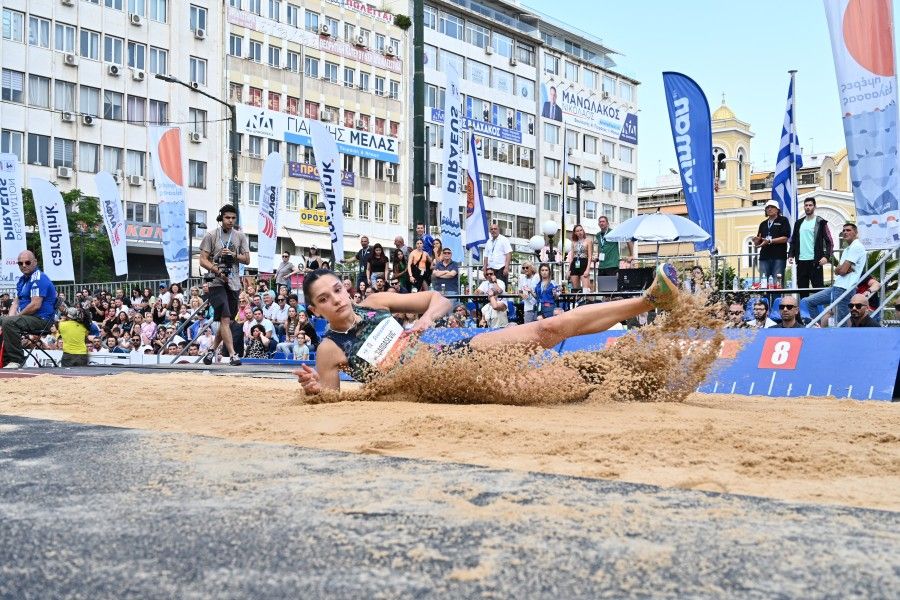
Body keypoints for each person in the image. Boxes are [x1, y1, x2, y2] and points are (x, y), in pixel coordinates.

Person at [293, 263, 681, 394]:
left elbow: (442, 300)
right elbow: (335, 404)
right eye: (325, 299)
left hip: (457, 354)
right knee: (560, 384)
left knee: (545, 331)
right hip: (437, 386)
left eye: (338, 289)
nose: (338, 299)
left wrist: (426, 319)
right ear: (316, 309)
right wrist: (314, 393)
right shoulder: (330, 349)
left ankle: (649, 301)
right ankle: (638, 377)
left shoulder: (374, 303)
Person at [198, 204, 250, 366]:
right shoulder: (211, 235)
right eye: (227, 217)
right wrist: (217, 270)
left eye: (233, 218)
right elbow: (202, 260)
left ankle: (212, 351)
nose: (230, 221)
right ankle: (233, 355)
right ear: (221, 218)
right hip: (216, 282)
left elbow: (247, 260)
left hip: (234, 282)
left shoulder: (240, 236)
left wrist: (233, 255)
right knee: (226, 318)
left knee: (226, 321)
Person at [0, 251, 58, 369]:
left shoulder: (39, 277)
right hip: (29, 318)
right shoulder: (22, 280)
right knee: (5, 320)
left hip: (42, 319)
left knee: (9, 322)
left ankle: (17, 360)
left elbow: (35, 305)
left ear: (35, 262)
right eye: (20, 263)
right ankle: (5, 360)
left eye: (27, 262)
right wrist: (11, 317)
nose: (24, 265)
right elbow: (16, 302)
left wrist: (14, 318)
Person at [801, 223, 866, 326]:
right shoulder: (848, 249)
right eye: (844, 230)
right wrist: (842, 268)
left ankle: (842, 341)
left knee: (841, 323)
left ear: (856, 233)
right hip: (837, 286)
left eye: (848, 230)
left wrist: (842, 269)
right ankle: (817, 329)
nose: (845, 232)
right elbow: (838, 270)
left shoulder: (856, 247)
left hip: (845, 288)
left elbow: (843, 271)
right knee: (809, 301)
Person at [788, 198, 834, 297]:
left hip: (815, 262)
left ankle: (821, 312)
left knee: (819, 291)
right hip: (801, 262)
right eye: (806, 205)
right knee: (802, 291)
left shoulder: (820, 222)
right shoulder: (798, 223)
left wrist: (826, 257)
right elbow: (793, 240)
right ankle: (804, 312)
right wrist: (790, 254)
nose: (808, 207)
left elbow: (829, 241)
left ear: (814, 206)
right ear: (804, 207)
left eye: (810, 205)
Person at [753, 200, 791, 284]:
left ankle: (776, 298)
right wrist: (756, 242)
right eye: (767, 207)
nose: (769, 209)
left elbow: (785, 238)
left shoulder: (783, 220)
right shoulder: (763, 224)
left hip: (779, 257)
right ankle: (765, 298)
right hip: (764, 257)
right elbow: (760, 241)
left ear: (777, 209)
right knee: (763, 282)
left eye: (772, 207)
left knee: (777, 283)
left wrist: (770, 241)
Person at [567, 224, 593, 292]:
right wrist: (568, 270)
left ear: (583, 231)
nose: (580, 232)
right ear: (575, 233)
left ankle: (588, 302)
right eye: (577, 231)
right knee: (576, 289)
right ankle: (577, 302)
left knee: (586, 289)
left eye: (581, 230)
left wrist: (588, 269)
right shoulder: (573, 242)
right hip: (575, 263)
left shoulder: (588, 241)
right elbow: (571, 258)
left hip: (584, 262)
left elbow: (590, 257)